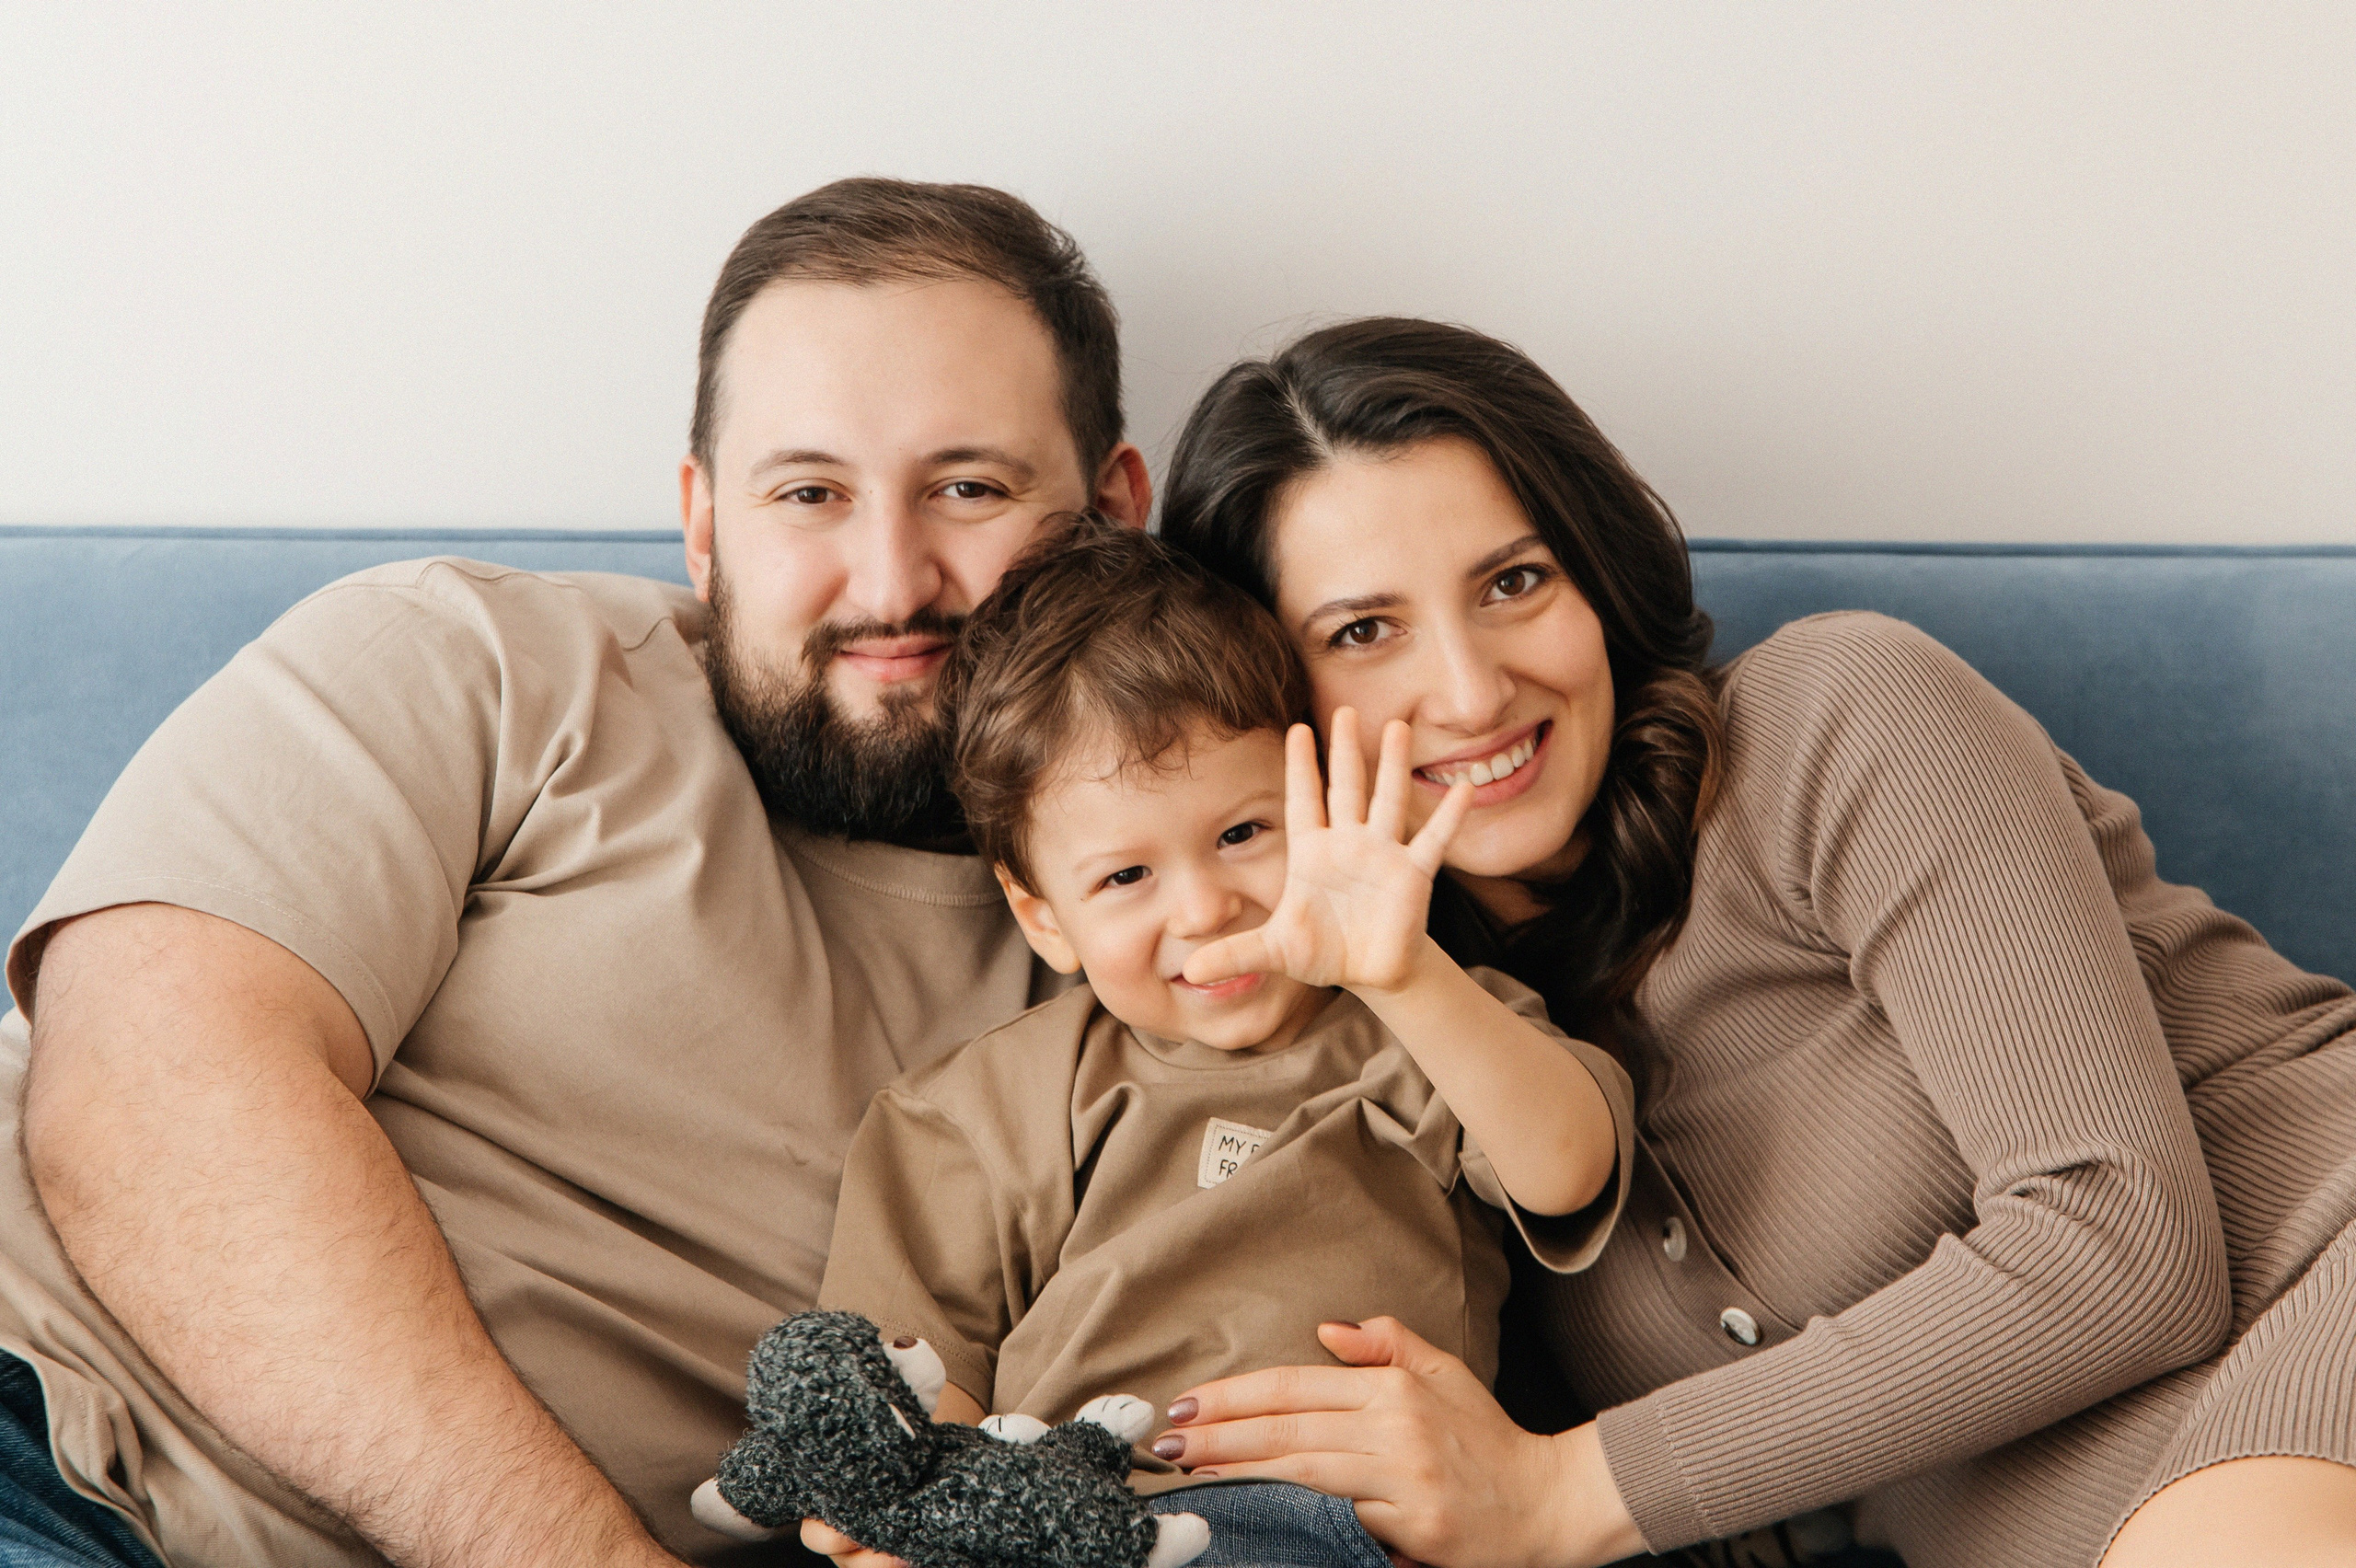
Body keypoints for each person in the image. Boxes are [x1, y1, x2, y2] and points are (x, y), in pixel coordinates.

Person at [0, 178, 1151, 1568]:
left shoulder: (1179, 951)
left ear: (1115, 507)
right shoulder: (474, 661)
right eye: (809, 493)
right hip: (44, 1435)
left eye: (969, 488)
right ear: (704, 519)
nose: (889, 579)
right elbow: (146, 1095)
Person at [1146, 317, 2356, 1568]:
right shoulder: (1404, 1057)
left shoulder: (1838, 718)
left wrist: (1564, 1492)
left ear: (1599, 580)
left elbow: (2123, 1246)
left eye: (1516, 582)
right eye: (1362, 633)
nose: (1469, 692)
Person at [780, 517, 1632, 1568]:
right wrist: (919, 1516)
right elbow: (917, 1374)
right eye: (1125, 878)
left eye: (1242, 833)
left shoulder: (1423, 1027)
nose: (1204, 908)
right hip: (1066, 1522)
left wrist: (1406, 976)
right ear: (1041, 912)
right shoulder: (983, 1106)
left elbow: (1566, 1170)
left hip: (1336, 1516)